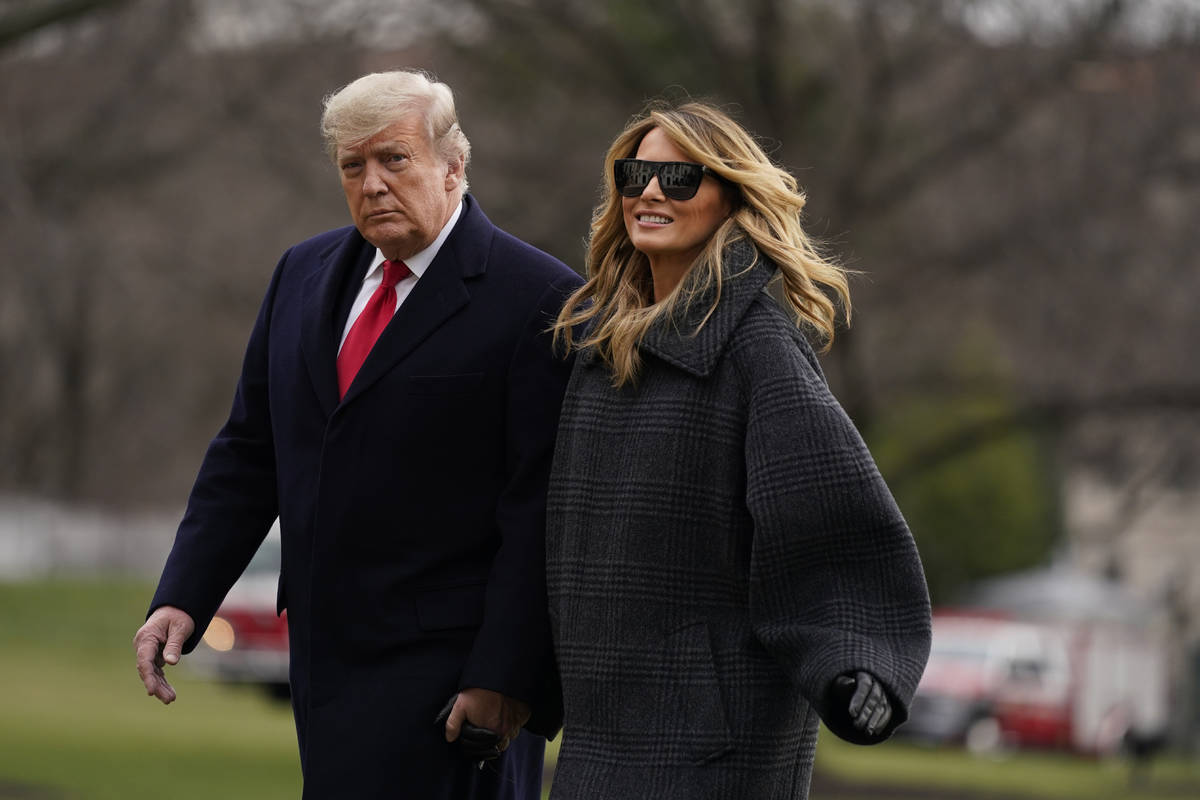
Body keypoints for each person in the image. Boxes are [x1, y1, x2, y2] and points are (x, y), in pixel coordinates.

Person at [133, 69, 582, 800]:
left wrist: (504, 676)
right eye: (353, 165)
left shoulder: (540, 298)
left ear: (453, 163)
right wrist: (183, 596)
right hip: (324, 665)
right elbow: (249, 454)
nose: (372, 183)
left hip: (457, 686)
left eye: (393, 159)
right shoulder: (301, 274)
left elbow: (540, 514)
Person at [545, 101, 932, 799]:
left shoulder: (758, 345)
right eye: (636, 174)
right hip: (599, 736)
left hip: (710, 748)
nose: (651, 192)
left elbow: (830, 519)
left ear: (730, 197)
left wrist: (856, 668)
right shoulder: (597, 349)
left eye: (680, 177)